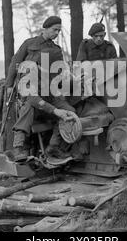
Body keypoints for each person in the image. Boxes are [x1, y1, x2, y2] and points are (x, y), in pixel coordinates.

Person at [5, 16, 76, 162]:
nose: (56, 33)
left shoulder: (56, 50)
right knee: (29, 106)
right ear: (45, 28)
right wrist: (9, 85)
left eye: (58, 31)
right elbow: (15, 62)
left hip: (50, 91)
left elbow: (60, 71)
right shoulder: (30, 43)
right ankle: (19, 148)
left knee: (71, 112)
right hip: (30, 89)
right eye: (54, 30)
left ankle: (54, 147)